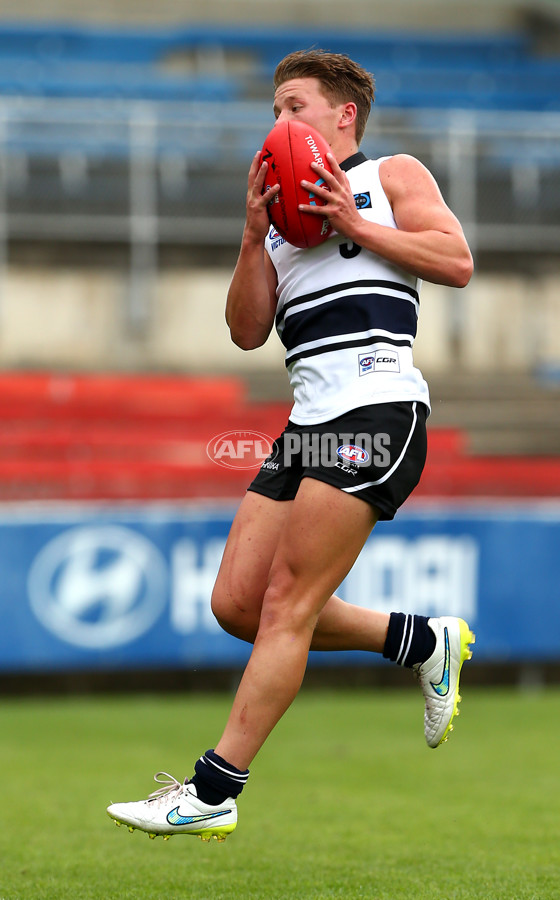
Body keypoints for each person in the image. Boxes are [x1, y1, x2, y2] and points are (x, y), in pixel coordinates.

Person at [107, 49, 475, 842]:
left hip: (376, 407)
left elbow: (456, 260)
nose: (278, 124)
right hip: (308, 423)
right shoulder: (280, 219)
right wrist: (250, 235)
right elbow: (246, 332)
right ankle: (422, 640)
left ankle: (213, 791)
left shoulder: (392, 176)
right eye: (272, 111)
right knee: (237, 603)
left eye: (294, 107)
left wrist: (353, 222)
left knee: (286, 605)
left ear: (343, 115)